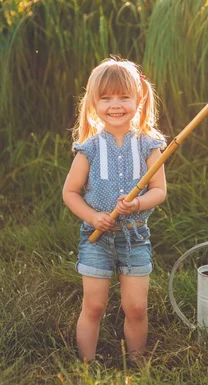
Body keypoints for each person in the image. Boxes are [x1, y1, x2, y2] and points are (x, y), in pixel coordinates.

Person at [63, 57, 167, 362]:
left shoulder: (150, 144)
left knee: (135, 307)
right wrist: (93, 216)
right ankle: (86, 365)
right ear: (94, 103)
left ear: (139, 98)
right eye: (106, 98)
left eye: (124, 96)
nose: (115, 104)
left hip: (135, 237)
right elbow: (70, 193)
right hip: (96, 237)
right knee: (93, 306)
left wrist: (137, 203)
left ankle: (136, 362)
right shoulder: (90, 147)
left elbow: (159, 191)